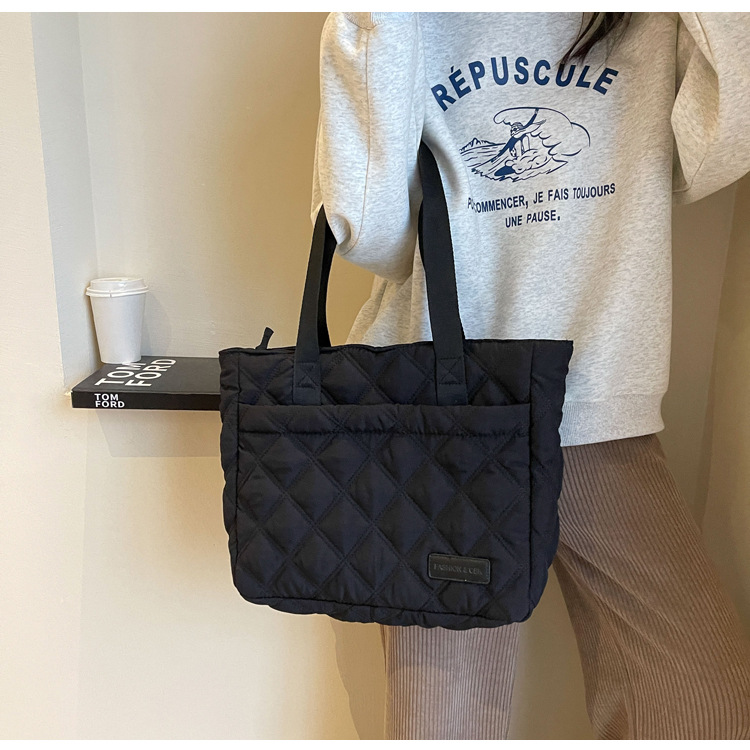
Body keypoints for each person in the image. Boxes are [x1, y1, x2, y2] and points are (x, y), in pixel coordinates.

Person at [310, 12, 750, 740]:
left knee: (698, 700)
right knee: (450, 722)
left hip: (577, 400)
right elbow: (370, 233)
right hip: (448, 412)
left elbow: (712, 154)